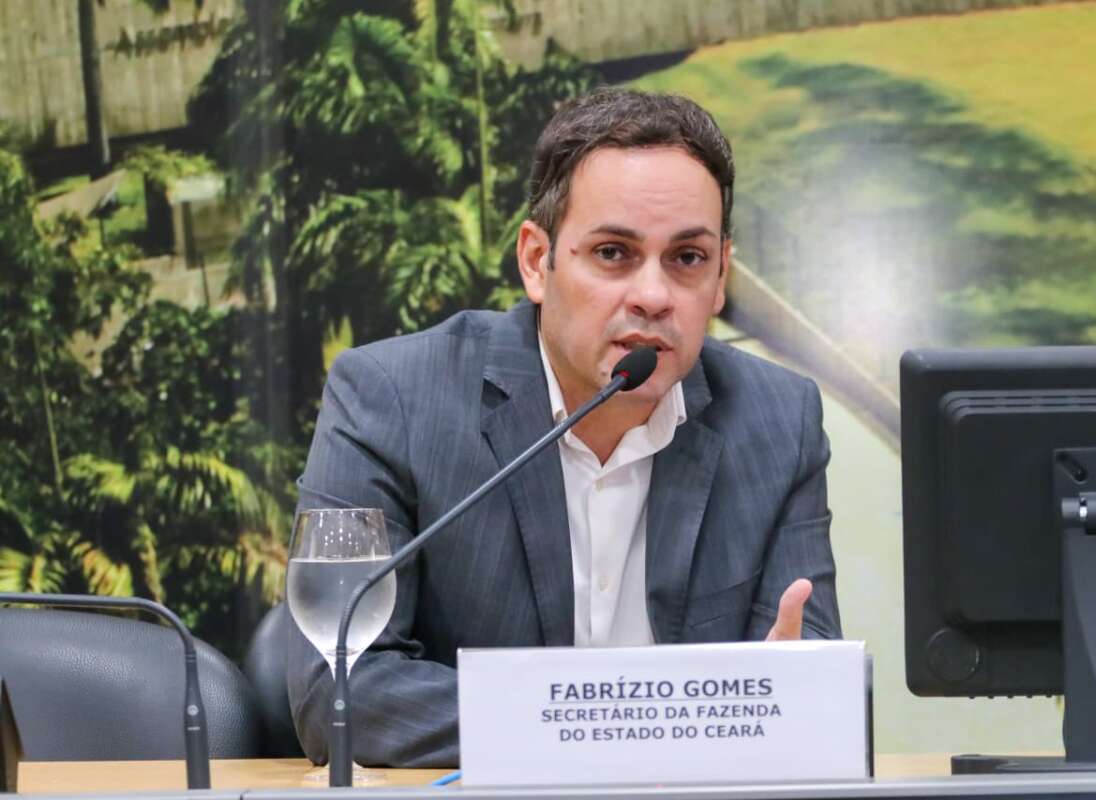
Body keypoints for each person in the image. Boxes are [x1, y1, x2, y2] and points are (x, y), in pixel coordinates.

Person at [287, 87, 841, 767]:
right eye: (612, 253)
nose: (653, 296)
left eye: (687, 259)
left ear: (721, 275)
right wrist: (615, 723)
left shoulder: (779, 420)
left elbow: (817, 681)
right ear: (536, 261)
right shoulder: (391, 399)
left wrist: (795, 696)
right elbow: (338, 691)